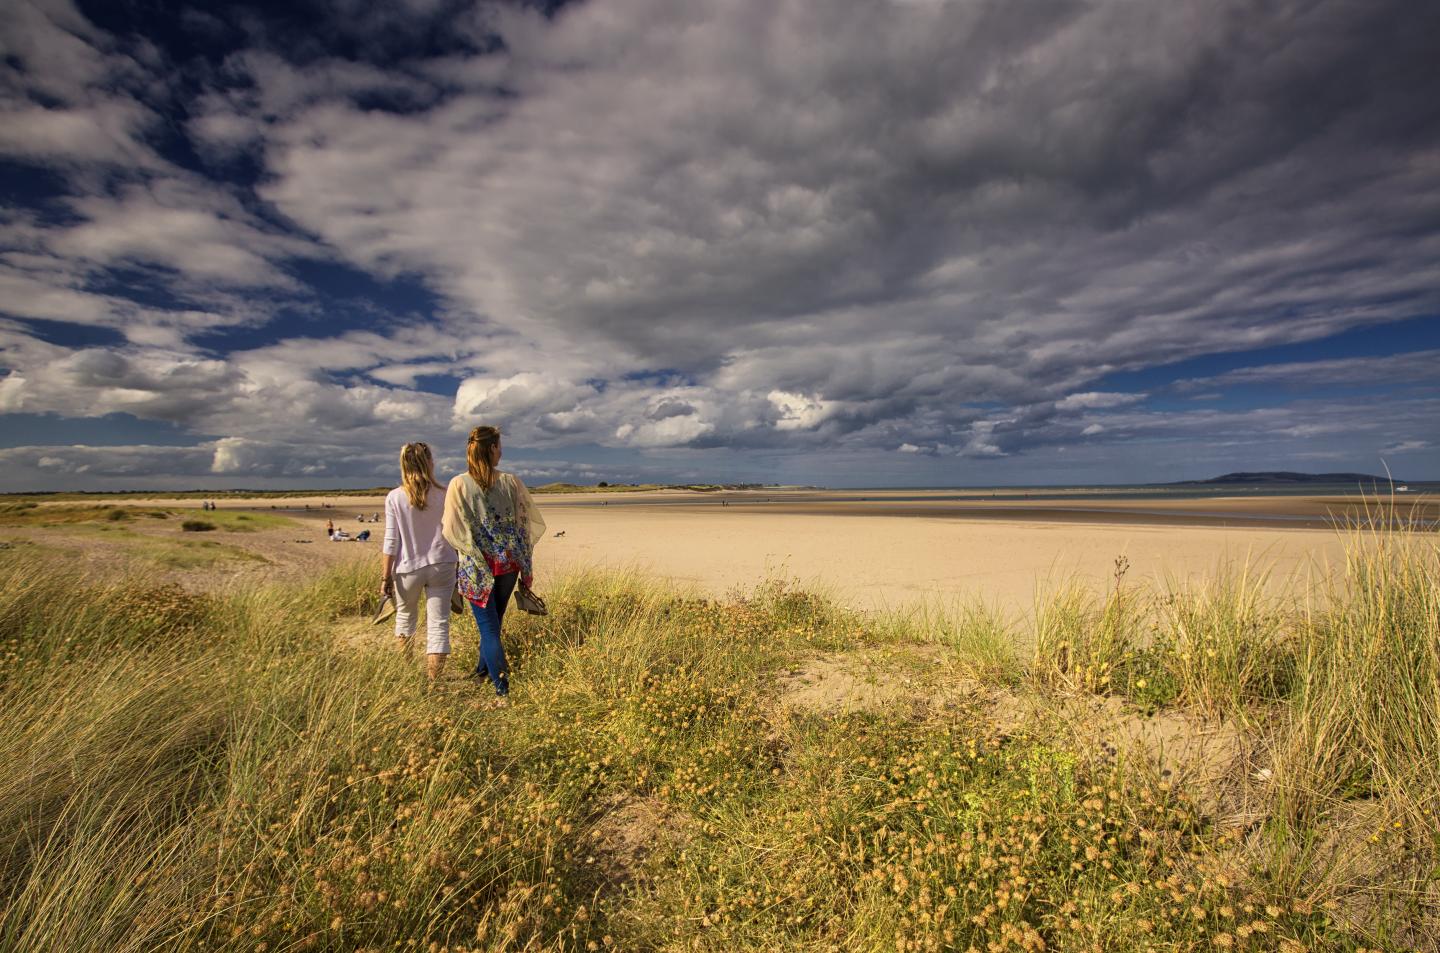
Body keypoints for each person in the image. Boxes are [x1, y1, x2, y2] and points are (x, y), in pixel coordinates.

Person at [442, 425, 545, 701]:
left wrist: (470, 555)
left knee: (489, 629)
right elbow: (524, 527)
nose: (502, 451)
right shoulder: (511, 482)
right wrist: (526, 567)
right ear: (490, 449)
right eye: (499, 446)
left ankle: (502, 690)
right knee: (493, 627)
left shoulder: (458, 484)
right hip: (507, 566)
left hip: (478, 567)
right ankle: (483, 673)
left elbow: (452, 530)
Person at [381, 442, 458, 687]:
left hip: (408, 567)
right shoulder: (444, 494)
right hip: (442, 562)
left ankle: (408, 675)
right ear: (429, 463)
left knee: (405, 618)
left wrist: (385, 577)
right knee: (439, 624)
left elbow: (391, 541)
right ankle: (434, 681)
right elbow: (454, 532)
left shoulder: (394, 497)